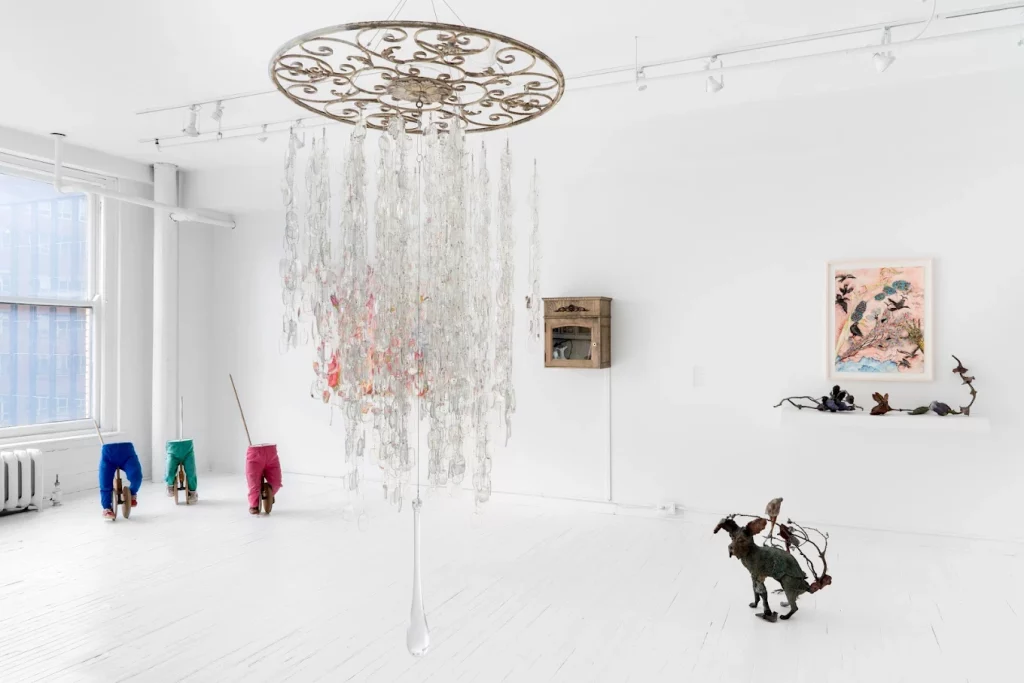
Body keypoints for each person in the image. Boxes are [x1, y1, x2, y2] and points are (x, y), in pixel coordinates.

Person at [98, 442, 143, 520]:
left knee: (136, 476)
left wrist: (131, 492)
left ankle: (132, 494)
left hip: (127, 453)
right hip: (108, 454)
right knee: (105, 482)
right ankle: (107, 508)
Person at [245, 443, 282, 514]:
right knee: (253, 484)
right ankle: (254, 504)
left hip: (271, 453)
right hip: (254, 454)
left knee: (276, 483)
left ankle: (270, 493)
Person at [165, 439, 198, 503]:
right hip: (172, 448)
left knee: (191, 472)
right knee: (169, 471)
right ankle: (170, 486)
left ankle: (192, 491)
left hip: (187, 448)